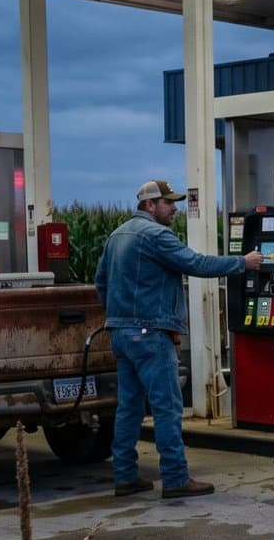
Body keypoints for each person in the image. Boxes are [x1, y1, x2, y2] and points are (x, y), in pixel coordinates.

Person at [95, 179, 262, 498]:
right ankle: (174, 478)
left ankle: (126, 476)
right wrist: (243, 262)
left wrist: (117, 318)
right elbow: (196, 263)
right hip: (150, 333)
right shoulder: (156, 235)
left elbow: (101, 281)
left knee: (129, 407)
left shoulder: (116, 236)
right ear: (149, 205)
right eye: (168, 203)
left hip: (120, 333)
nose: (174, 208)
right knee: (167, 407)